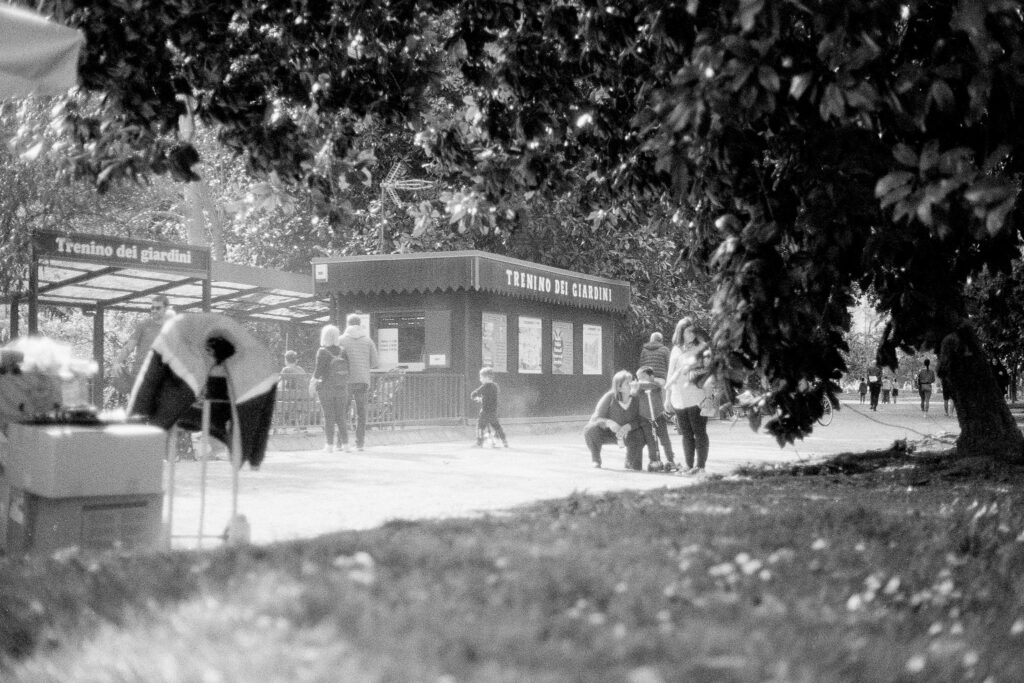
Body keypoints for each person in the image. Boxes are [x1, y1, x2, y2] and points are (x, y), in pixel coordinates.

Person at [665, 318, 713, 475]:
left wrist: (709, 398)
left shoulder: (703, 348)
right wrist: (667, 397)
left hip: (697, 397)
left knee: (699, 432)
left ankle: (700, 467)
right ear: (680, 332)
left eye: (693, 330)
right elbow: (670, 374)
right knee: (686, 433)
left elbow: (709, 374)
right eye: (688, 331)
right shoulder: (676, 350)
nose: (692, 334)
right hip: (679, 399)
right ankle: (688, 465)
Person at [583, 370, 644, 469]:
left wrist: (629, 426)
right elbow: (595, 418)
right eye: (627, 383)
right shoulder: (609, 397)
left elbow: (642, 419)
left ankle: (631, 461)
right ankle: (596, 460)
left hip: (629, 433)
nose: (632, 384)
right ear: (619, 388)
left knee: (641, 432)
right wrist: (609, 423)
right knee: (590, 430)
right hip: (610, 433)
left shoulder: (637, 398)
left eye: (632, 381)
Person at [338, 313, 379, 452]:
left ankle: (340, 443)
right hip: (362, 380)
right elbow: (374, 363)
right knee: (361, 413)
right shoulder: (368, 341)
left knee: (343, 412)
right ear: (359, 324)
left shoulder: (341, 340)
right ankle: (360, 443)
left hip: (346, 381)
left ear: (348, 324)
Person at [114, 294, 175, 386]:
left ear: (166, 309)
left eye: (158, 308)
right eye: (152, 308)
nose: (154, 311)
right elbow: (129, 347)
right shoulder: (143, 325)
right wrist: (117, 362)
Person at [633, 365, 679, 471]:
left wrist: (639, 384)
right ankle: (653, 460)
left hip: (658, 416)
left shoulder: (656, 385)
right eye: (638, 378)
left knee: (665, 439)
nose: (640, 380)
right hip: (645, 418)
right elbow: (634, 392)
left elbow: (658, 384)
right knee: (651, 440)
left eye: (642, 377)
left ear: (651, 376)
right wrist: (636, 386)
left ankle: (670, 459)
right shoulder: (639, 388)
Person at [313, 324, 350, 452]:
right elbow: (348, 369)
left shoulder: (322, 351)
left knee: (329, 417)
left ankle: (329, 446)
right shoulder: (343, 351)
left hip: (326, 389)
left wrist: (312, 383)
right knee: (341, 417)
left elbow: (318, 372)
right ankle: (346, 445)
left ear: (324, 336)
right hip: (341, 388)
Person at [470, 366, 508, 447]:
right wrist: (483, 399)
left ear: (487, 377)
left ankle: (479, 442)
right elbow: (491, 397)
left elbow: (473, 394)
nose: (480, 379)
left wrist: (477, 398)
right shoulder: (495, 386)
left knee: (480, 427)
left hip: (484, 412)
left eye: (481, 377)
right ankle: (504, 441)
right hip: (493, 412)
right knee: (497, 426)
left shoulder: (484, 386)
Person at [278, 350, 306, 427]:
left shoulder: (286, 369)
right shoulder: (301, 369)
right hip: (302, 399)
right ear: (295, 360)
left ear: (286, 360)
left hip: (290, 399)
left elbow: (278, 381)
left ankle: (283, 425)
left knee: (279, 399)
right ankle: (300, 423)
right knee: (292, 398)